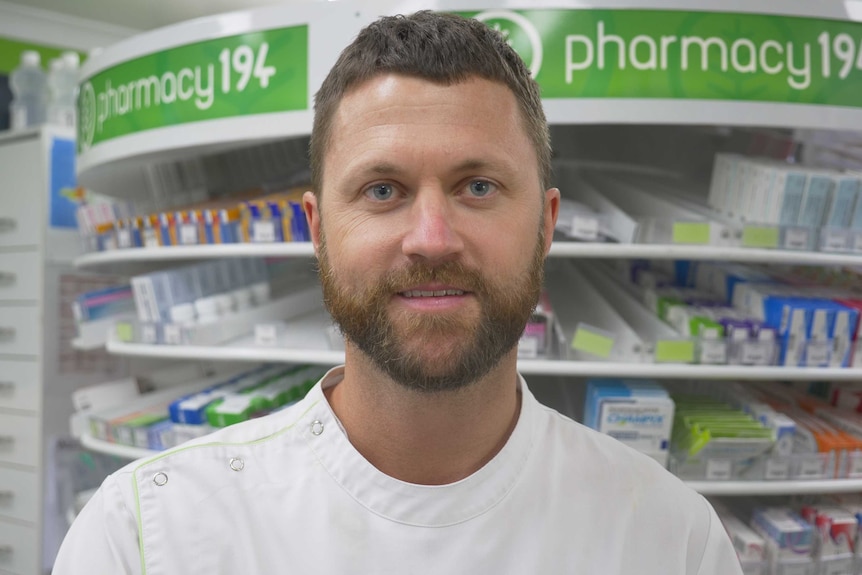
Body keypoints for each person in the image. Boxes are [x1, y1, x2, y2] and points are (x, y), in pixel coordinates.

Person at [54, 11, 743, 575]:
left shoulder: (672, 539)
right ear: (318, 228)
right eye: (382, 190)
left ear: (546, 224)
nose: (432, 238)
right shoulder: (145, 534)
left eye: (479, 186)